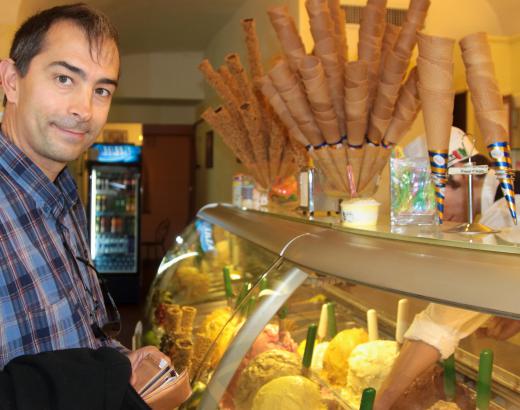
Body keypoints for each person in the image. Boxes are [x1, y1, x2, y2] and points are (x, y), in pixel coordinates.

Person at [0, 3, 168, 383]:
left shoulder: (64, 194)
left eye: (102, 89)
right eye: (64, 79)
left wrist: (122, 363)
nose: (84, 109)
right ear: (11, 80)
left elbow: (79, 331)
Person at [375, 128, 520, 409]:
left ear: (462, 176)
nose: (439, 218)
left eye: (436, 203)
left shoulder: (507, 211)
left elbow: (439, 325)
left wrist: (382, 401)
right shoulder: (504, 197)